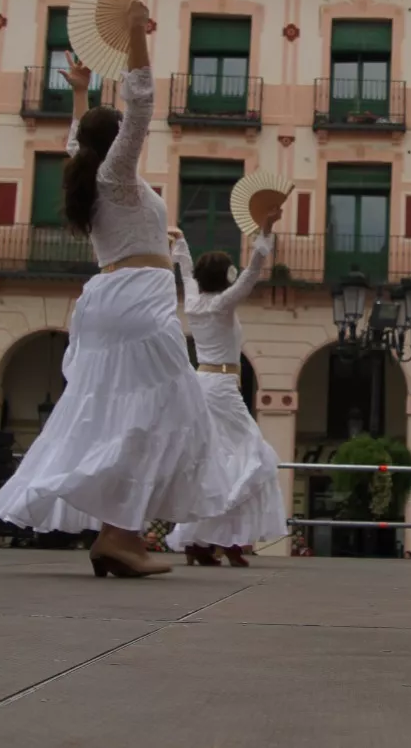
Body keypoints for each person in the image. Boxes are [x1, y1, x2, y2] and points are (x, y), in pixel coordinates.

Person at [0, 0, 226, 579]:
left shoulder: (87, 177)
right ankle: (120, 536)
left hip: (106, 303)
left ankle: (120, 534)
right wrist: (136, 33)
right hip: (141, 301)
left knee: (115, 415)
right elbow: (141, 100)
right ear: (118, 141)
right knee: (165, 412)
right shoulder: (116, 175)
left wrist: (79, 93)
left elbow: (75, 141)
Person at [167, 204, 290, 568]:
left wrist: (181, 242)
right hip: (221, 385)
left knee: (213, 460)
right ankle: (229, 538)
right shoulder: (222, 304)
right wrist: (265, 233)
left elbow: (185, 270)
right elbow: (252, 273)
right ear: (223, 277)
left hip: (201, 381)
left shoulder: (193, 300)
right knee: (254, 455)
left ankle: (202, 540)